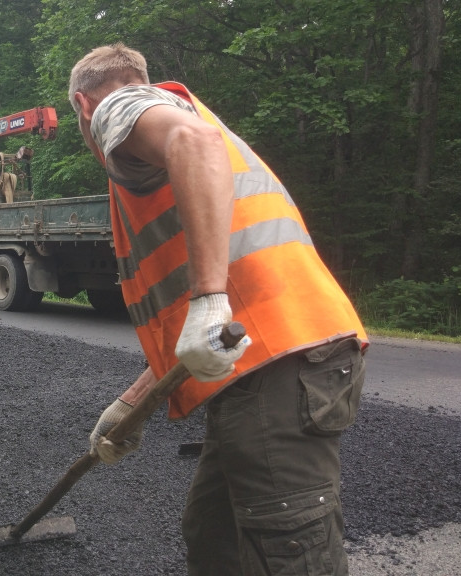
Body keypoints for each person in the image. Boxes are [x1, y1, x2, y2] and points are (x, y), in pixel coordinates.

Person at [69, 43, 368, 575]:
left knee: (288, 547)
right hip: (272, 355)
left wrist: (208, 300)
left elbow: (194, 141)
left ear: (81, 104)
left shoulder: (117, 106)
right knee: (213, 533)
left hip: (279, 361)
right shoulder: (178, 131)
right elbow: (208, 328)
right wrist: (130, 404)